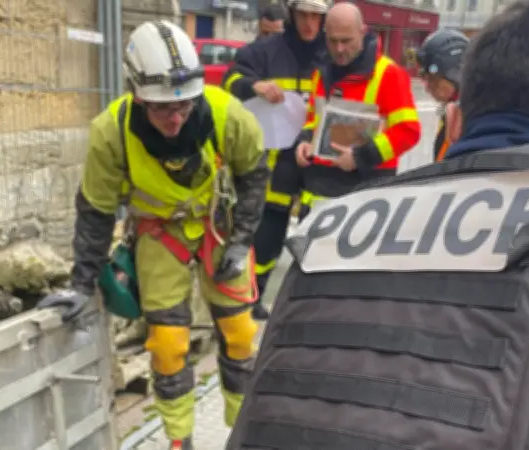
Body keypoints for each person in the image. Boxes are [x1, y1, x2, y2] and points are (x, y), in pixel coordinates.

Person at [226, 0, 529, 448]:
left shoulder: (322, 235)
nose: (336, 46)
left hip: (351, 189)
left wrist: (360, 156)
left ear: (454, 120)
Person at [38, 20, 268, 450]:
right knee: (166, 346)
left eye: (184, 106)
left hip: (219, 228)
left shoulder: (226, 114)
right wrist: (81, 284)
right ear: (137, 94)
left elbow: (254, 176)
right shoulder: (112, 132)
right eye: (162, 108)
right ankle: (179, 440)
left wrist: (242, 240)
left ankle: (245, 434)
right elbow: (96, 210)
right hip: (160, 234)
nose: (176, 118)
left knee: (239, 334)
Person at [223, 0, 329, 319]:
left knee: (318, 233)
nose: (310, 23)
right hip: (275, 161)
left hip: (317, 158)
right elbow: (229, 81)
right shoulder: (266, 51)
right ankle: (253, 295)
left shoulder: (333, 54)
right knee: (267, 233)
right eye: (304, 15)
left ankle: (312, 304)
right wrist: (253, 85)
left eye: (317, 16)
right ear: (292, 14)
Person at [294, 3, 420, 205]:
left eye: (346, 41)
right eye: (333, 41)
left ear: (362, 32)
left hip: (365, 195)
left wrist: (361, 156)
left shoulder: (389, 74)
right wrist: (305, 140)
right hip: (318, 193)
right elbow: (313, 120)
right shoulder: (321, 73)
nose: (339, 49)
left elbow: (407, 130)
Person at [415, 28, 469, 161]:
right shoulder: (453, 112)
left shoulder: (468, 119)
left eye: (433, 79)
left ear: (455, 74)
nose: (427, 88)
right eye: (425, 79)